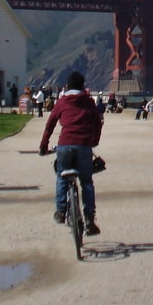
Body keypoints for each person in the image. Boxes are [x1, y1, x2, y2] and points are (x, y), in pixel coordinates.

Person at [39, 71, 103, 236]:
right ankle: (89, 218)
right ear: (83, 86)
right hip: (84, 146)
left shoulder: (61, 102)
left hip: (65, 146)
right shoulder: (88, 102)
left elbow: (49, 125)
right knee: (87, 182)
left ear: (67, 86)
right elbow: (98, 123)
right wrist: (94, 140)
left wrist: (43, 146)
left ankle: (60, 212)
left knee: (62, 176)